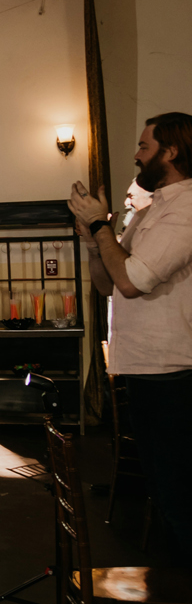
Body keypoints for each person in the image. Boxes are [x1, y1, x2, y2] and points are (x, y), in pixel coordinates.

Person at [71, 112, 192, 564]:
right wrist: (91, 238)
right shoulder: (153, 208)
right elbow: (107, 281)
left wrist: (102, 225)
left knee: (180, 494)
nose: (137, 155)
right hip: (141, 367)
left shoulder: (186, 208)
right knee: (160, 489)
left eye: (145, 146)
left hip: (174, 373)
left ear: (171, 151)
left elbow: (132, 282)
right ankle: (173, 598)